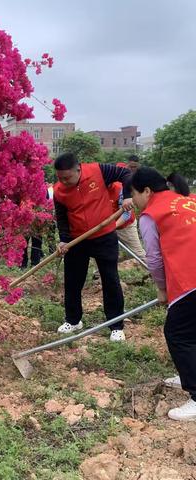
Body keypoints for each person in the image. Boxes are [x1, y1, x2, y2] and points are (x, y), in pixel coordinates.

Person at [131, 167, 196, 421]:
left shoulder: (150, 215)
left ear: (146, 191)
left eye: (133, 194)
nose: (133, 200)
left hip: (190, 278)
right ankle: (188, 370)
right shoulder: (188, 200)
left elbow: (155, 259)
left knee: (177, 333)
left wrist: (162, 289)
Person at [53, 153, 133, 342]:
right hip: (77, 240)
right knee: (72, 281)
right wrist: (64, 240)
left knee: (110, 280)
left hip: (104, 236)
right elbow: (62, 218)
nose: (63, 181)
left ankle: (116, 325)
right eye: (59, 178)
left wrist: (128, 196)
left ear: (78, 169)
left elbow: (126, 174)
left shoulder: (98, 171)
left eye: (67, 177)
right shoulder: (59, 191)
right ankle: (73, 320)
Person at [108, 182, 146, 261]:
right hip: (106, 227)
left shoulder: (121, 189)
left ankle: (153, 271)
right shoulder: (95, 188)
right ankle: (99, 273)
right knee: (104, 255)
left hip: (125, 226)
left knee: (138, 254)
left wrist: (113, 227)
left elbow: (126, 215)